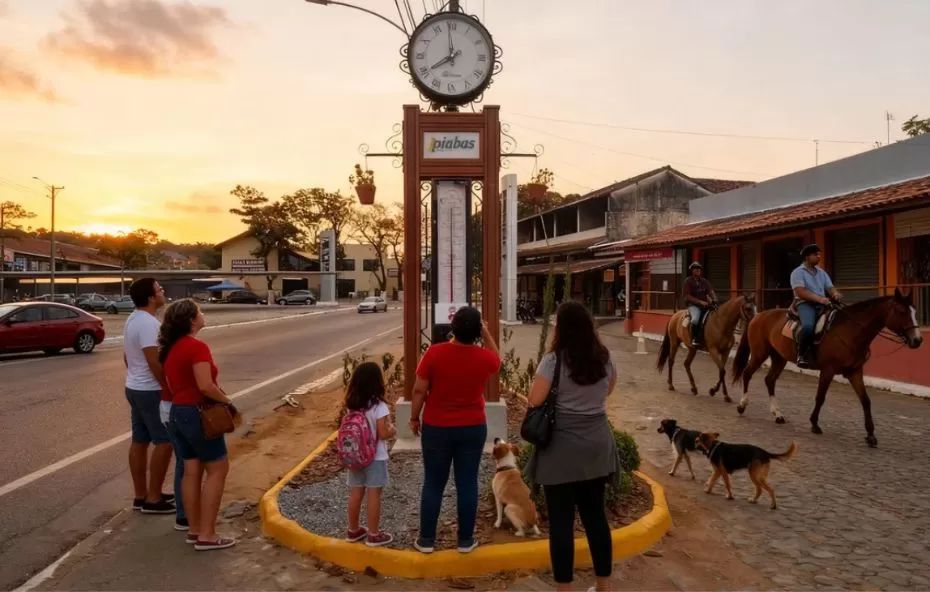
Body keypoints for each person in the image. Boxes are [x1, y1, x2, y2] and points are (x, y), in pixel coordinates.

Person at [526, 301, 618, 592]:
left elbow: (534, 400)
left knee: (562, 524)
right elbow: (609, 390)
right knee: (596, 519)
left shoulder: (552, 361)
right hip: (597, 447)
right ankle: (603, 585)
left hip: (561, 451)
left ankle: (564, 589)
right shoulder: (604, 358)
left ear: (561, 328)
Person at [409, 306, 501, 554]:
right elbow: (497, 359)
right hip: (472, 427)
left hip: (437, 427)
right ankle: (465, 540)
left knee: (433, 483)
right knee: (467, 482)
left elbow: (419, 390)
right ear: (477, 332)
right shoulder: (483, 358)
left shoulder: (434, 353)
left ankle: (427, 540)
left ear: (453, 328)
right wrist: (487, 333)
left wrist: (414, 417)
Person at [160, 299, 237, 551]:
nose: (203, 315)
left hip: (177, 413)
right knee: (217, 469)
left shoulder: (172, 349)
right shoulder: (197, 347)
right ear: (192, 320)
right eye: (200, 312)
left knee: (191, 471)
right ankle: (208, 534)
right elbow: (205, 385)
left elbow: (174, 386)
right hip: (196, 412)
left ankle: (194, 529)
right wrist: (228, 401)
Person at [123, 278, 176, 516]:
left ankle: (141, 495)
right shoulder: (147, 324)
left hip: (134, 386)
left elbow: (127, 358)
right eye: (159, 289)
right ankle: (153, 499)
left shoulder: (133, 319)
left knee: (140, 440)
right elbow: (153, 360)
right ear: (151, 297)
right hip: (150, 390)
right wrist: (168, 388)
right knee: (164, 442)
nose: (163, 292)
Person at [344, 362, 396, 547]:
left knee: (356, 491)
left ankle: (353, 530)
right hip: (375, 457)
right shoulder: (379, 406)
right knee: (374, 493)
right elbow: (382, 433)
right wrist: (392, 429)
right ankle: (373, 534)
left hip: (355, 457)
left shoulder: (352, 404)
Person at [790, 244, 842, 368]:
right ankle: (801, 355)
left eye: (819, 255)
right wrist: (820, 299)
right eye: (816, 255)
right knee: (808, 327)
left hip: (822, 302)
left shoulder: (821, 272)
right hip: (804, 303)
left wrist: (835, 294)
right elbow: (800, 291)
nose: (819, 257)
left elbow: (829, 287)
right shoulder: (797, 273)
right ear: (807, 257)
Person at [683, 261, 717, 347]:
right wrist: (700, 301)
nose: (698, 270)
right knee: (695, 319)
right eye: (696, 268)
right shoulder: (688, 281)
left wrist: (714, 299)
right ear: (692, 270)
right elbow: (687, 296)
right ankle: (694, 339)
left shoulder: (704, 281)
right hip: (693, 305)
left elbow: (711, 291)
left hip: (705, 305)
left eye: (699, 269)